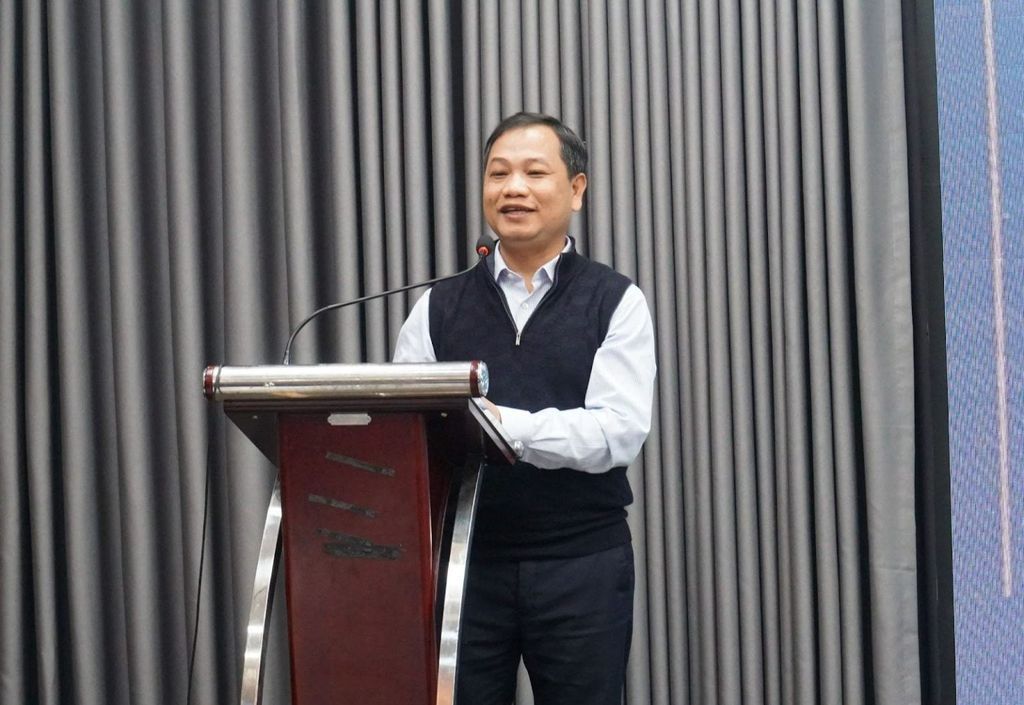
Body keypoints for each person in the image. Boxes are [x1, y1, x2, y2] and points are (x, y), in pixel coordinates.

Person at [393, 112, 656, 705]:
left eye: (535, 173)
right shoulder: (436, 306)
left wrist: (499, 425)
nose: (513, 188)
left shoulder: (615, 300)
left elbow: (616, 434)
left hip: (580, 562)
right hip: (463, 563)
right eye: (498, 173)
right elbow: (409, 431)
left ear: (577, 189)